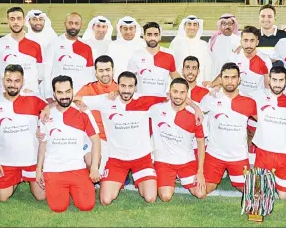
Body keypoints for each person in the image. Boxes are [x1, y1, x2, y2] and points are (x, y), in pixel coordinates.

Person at [74, 71, 203, 205]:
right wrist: (76, 103)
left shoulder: (145, 100)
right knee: (105, 200)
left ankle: (141, 180)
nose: (126, 90)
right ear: (118, 86)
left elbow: (176, 95)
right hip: (117, 159)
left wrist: (196, 107)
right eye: (123, 86)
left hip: (142, 158)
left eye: (130, 86)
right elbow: (75, 97)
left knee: (150, 198)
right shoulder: (106, 100)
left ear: (135, 88)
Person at [36, 75, 101, 213]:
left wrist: (94, 167)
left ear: (72, 91)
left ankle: (74, 190)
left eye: (67, 91)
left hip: (77, 167)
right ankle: (64, 191)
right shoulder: (46, 115)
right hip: (53, 169)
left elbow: (96, 140)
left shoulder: (83, 112)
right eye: (60, 92)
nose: (64, 96)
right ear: (54, 94)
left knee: (87, 206)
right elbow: (42, 144)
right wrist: (38, 169)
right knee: (58, 208)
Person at [0, 64, 48, 202]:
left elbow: (53, 106)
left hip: (32, 160)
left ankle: (27, 176)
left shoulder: (33, 98)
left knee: (41, 196)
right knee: (2, 198)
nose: (12, 85)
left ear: (22, 81)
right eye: (9, 80)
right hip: (7, 162)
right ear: (3, 81)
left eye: (16, 81)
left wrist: (46, 109)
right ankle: (17, 178)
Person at [201, 62, 258, 193]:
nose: (230, 81)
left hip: (238, 156)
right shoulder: (211, 98)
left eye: (233, 77)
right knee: (202, 192)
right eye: (226, 77)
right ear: (220, 79)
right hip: (215, 154)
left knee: (251, 192)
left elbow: (263, 122)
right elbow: (196, 113)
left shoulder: (249, 101)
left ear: (239, 80)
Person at [150, 78, 207, 201]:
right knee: (165, 197)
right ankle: (166, 179)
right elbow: (133, 98)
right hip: (164, 160)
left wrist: (200, 172)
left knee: (201, 193)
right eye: (175, 91)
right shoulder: (156, 109)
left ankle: (179, 177)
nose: (178, 96)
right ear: (169, 92)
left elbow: (201, 144)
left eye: (182, 92)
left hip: (186, 161)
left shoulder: (195, 115)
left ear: (187, 94)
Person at [252, 66, 286, 200]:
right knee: (258, 197)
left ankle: (273, 183)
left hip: (284, 155)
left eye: (281, 80)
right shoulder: (258, 95)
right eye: (274, 80)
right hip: (263, 152)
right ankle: (266, 184)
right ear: (269, 80)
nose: (277, 84)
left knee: (284, 198)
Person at [75, 55, 119, 176]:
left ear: (113, 70)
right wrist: (79, 103)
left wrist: (118, 92)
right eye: (101, 70)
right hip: (97, 138)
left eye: (108, 70)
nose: (105, 74)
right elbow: (72, 99)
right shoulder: (88, 88)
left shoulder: (121, 89)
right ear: (95, 73)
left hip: (116, 138)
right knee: (91, 160)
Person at [205, 26, 272, 98]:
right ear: (241, 42)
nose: (248, 44)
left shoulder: (265, 60)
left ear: (257, 42)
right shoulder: (234, 57)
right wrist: (212, 84)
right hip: (237, 99)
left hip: (257, 100)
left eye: (252, 41)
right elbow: (224, 74)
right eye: (245, 40)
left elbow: (267, 86)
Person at [44, 12, 95, 103]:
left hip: (79, 98)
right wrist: (48, 95)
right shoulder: (53, 44)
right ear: (65, 24)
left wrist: (86, 96)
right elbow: (46, 72)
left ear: (81, 25)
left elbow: (90, 75)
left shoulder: (87, 47)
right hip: (58, 97)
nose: (73, 26)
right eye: (70, 23)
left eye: (76, 23)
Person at [0, 7, 43, 94]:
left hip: (30, 94)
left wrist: (29, 87)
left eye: (19, 18)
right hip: (6, 96)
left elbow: (40, 74)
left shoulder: (36, 43)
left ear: (24, 20)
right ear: (8, 21)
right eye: (12, 19)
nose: (16, 22)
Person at [128, 22, 180, 96]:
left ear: (160, 37)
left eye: (156, 35)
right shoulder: (136, 55)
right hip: (141, 100)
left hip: (162, 101)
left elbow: (175, 76)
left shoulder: (169, 55)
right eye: (149, 35)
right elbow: (128, 79)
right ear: (144, 37)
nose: (152, 38)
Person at [182, 56, 212, 158]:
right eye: (188, 67)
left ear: (198, 71)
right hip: (180, 143)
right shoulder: (175, 91)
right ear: (182, 71)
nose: (190, 71)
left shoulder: (205, 92)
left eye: (194, 68)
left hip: (200, 144)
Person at [170, 15, 213, 83]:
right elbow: (171, 67)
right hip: (180, 84)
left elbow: (208, 66)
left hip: (200, 83)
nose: (192, 27)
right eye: (189, 24)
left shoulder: (204, 45)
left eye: (195, 24)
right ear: (184, 26)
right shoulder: (176, 44)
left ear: (198, 27)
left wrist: (207, 80)